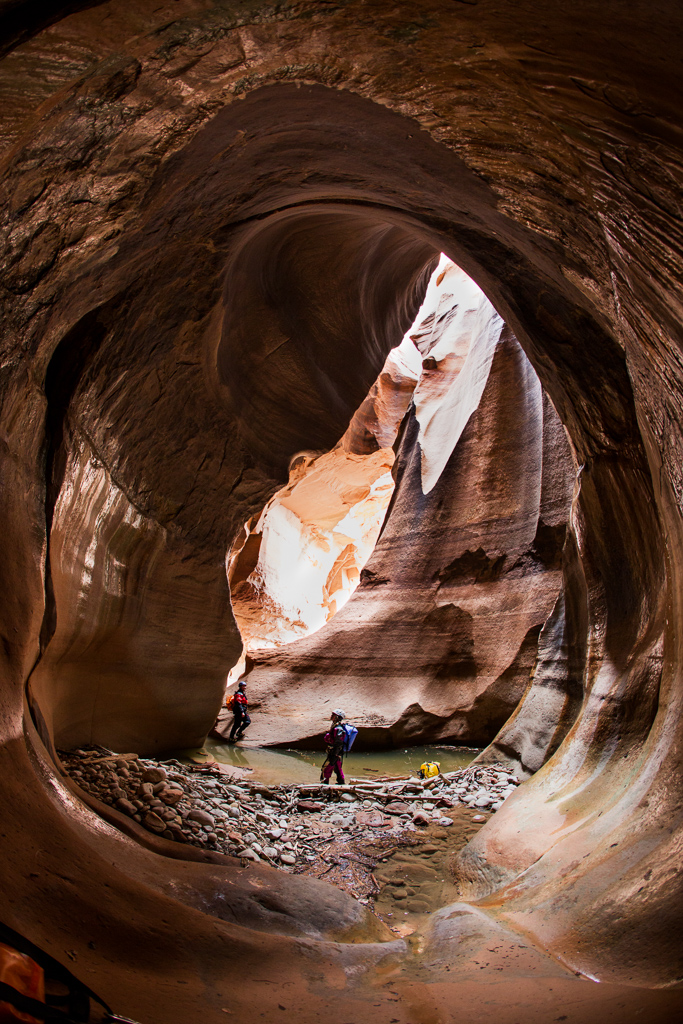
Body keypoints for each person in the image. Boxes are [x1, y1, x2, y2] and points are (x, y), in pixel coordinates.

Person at [321, 709, 346, 785]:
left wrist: (334, 754)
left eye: (333, 715)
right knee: (337, 768)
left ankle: (325, 783)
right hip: (335, 752)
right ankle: (341, 783)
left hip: (335, 752)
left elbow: (338, 743)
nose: (331, 716)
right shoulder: (335, 726)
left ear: (337, 717)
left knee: (327, 768)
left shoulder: (338, 729)